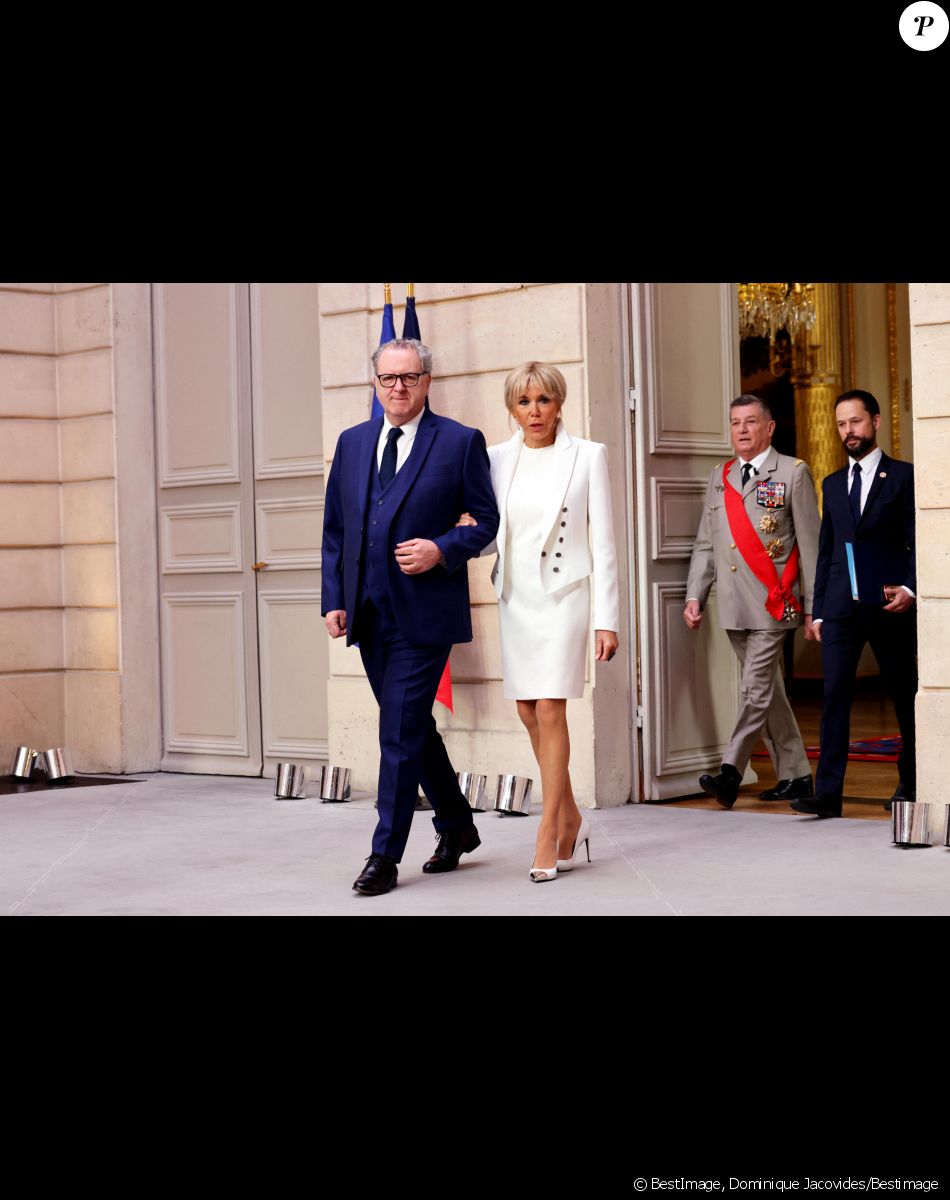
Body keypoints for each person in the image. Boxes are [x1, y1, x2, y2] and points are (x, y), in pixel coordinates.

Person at [321, 338, 500, 895]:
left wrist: (442, 549)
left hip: (425, 616)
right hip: (369, 612)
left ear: (427, 380)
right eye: (388, 379)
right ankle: (457, 825)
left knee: (396, 730)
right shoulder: (352, 443)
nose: (399, 387)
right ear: (375, 384)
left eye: (410, 377)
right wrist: (335, 596)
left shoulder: (459, 441)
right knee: (412, 726)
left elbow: (487, 522)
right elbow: (335, 530)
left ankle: (384, 856)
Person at [461, 362, 619, 881]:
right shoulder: (494, 459)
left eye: (544, 400)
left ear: (559, 404)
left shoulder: (588, 456)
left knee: (551, 708)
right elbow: (490, 535)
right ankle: (572, 816)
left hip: (564, 595)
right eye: (525, 401)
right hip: (516, 595)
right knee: (528, 712)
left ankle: (547, 830)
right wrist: (458, 529)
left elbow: (605, 545)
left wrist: (606, 620)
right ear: (512, 408)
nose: (535, 411)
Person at [684, 394, 820, 808]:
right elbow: (707, 545)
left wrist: (815, 607)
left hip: (773, 603)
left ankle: (730, 772)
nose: (741, 430)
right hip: (731, 604)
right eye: (735, 423)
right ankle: (797, 775)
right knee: (768, 690)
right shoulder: (720, 476)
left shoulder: (793, 473)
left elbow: (812, 545)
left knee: (754, 690)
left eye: (750, 422)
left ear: (769, 427)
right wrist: (695, 594)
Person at [790, 389, 917, 819]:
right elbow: (826, 551)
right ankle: (827, 795)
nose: (849, 431)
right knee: (834, 697)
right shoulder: (831, 483)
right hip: (841, 609)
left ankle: (912, 784)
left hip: (890, 605)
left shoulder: (903, 477)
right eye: (842, 424)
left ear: (876, 422)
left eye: (856, 422)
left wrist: (910, 589)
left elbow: (918, 541)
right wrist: (819, 608)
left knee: (904, 695)